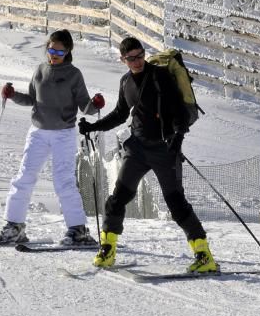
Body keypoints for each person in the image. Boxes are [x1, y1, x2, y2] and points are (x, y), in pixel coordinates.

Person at [78, 36, 219, 273]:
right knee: (118, 198)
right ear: (123, 59)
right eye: (131, 58)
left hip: (164, 149)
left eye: (140, 55)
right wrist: (94, 126)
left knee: (176, 204)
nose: (137, 61)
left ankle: (204, 255)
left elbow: (180, 115)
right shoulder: (126, 82)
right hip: (137, 149)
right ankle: (108, 249)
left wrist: (177, 139)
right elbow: (120, 114)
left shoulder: (160, 77)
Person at [0, 29, 106, 246]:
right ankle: (14, 226)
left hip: (63, 134)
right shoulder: (40, 70)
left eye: (59, 52)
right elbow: (32, 100)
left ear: (68, 52)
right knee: (24, 177)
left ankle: (78, 230)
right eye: (51, 49)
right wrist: (12, 94)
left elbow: (85, 106)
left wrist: (96, 105)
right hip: (38, 132)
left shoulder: (74, 74)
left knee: (63, 181)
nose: (53, 54)